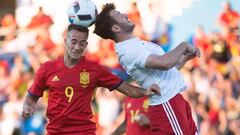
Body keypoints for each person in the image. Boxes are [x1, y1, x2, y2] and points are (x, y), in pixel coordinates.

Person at [21, 24, 160, 135]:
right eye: (73, 42)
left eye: (82, 43)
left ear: (86, 46)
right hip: (55, 131)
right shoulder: (47, 68)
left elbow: (126, 88)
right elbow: (32, 96)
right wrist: (28, 106)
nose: (77, 47)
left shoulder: (95, 70)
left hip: (83, 131)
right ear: (65, 41)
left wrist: (145, 91)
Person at [94, 3, 200, 135]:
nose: (126, 14)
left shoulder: (135, 44)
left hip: (173, 101)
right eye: (120, 15)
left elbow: (165, 72)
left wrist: (184, 58)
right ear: (115, 28)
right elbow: (165, 63)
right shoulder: (128, 51)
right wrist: (184, 46)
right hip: (167, 105)